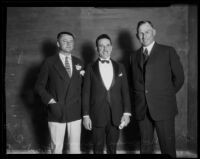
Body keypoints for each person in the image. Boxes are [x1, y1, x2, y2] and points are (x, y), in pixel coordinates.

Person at [130, 21, 184, 157]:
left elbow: (179, 78)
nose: (144, 35)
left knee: (168, 148)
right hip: (142, 109)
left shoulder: (168, 51)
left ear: (154, 32)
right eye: (141, 33)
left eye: (147, 32)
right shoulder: (133, 56)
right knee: (145, 147)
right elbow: (132, 82)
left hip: (164, 107)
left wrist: (165, 96)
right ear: (137, 35)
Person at [35, 32, 84, 154]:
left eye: (71, 41)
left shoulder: (79, 62)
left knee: (75, 148)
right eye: (64, 41)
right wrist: (51, 102)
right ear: (58, 43)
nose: (68, 43)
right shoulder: (49, 62)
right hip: (57, 110)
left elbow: (83, 87)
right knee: (56, 148)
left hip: (75, 111)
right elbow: (39, 86)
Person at [82, 34, 132, 154]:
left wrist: (127, 113)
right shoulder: (90, 68)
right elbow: (86, 93)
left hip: (116, 115)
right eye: (101, 46)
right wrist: (85, 116)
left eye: (108, 45)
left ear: (112, 47)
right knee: (97, 148)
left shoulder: (120, 67)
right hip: (96, 115)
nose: (105, 48)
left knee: (112, 148)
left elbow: (125, 91)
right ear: (97, 49)